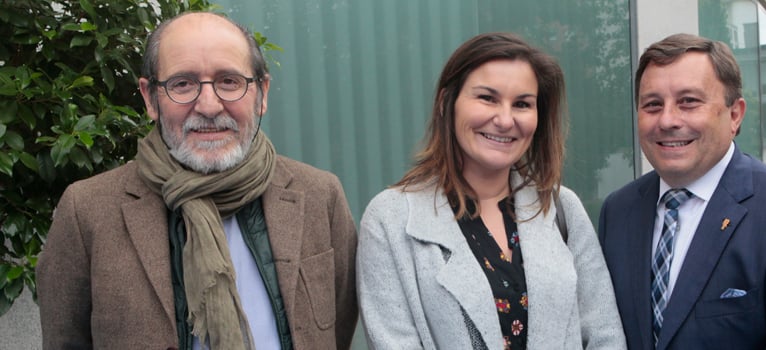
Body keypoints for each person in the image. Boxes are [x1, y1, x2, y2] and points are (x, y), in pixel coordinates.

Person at [36, 12, 358, 350]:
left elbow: (338, 328)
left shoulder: (320, 196)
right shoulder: (86, 210)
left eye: (229, 81)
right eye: (183, 84)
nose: (208, 105)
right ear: (150, 99)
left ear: (262, 93)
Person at [356, 32, 625, 349]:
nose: (505, 119)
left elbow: (604, 335)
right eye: (487, 98)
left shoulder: (561, 207)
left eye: (522, 104)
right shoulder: (390, 219)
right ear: (446, 103)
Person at [598, 33, 766, 349]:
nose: (668, 119)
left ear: (734, 115)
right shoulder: (618, 212)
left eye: (689, 101)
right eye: (652, 104)